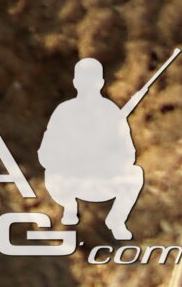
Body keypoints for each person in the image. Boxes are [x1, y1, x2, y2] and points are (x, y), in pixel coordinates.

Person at [40, 60, 146, 240]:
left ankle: (116, 221)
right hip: (68, 180)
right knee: (52, 176)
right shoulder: (64, 111)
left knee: (135, 174)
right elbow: (45, 152)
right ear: (75, 83)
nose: (88, 85)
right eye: (83, 80)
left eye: (92, 80)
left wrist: (106, 156)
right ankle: (69, 210)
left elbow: (128, 153)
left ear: (101, 83)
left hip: (99, 180)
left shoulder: (110, 112)